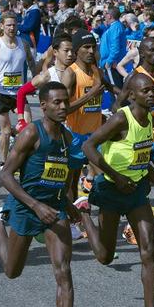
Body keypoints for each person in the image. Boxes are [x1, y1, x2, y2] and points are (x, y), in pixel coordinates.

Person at [0, 82, 82, 307]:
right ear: (44, 105)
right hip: (27, 207)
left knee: (64, 272)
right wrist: (35, 205)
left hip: (53, 210)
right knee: (12, 271)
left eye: (66, 101)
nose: (64, 107)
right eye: (58, 103)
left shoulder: (66, 136)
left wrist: (66, 204)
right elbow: (6, 175)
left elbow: (59, 174)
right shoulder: (31, 133)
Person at [80, 73, 154, 307]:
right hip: (111, 189)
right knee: (105, 257)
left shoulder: (152, 120)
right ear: (131, 95)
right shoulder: (121, 118)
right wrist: (116, 176)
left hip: (135, 192)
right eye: (145, 91)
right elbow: (89, 146)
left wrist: (153, 174)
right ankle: (84, 214)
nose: (151, 94)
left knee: (149, 250)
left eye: (153, 91)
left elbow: (139, 153)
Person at [113, 38, 154, 242]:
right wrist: (126, 127)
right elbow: (117, 105)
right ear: (141, 52)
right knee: (142, 185)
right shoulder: (135, 76)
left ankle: (137, 213)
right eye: (151, 50)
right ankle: (133, 223)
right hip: (139, 140)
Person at [0, 11, 35, 165]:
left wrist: (36, 81)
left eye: (14, 24)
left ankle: (19, 150)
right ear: (2, 26)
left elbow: (31, 62)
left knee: (28, 125)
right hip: (0, 93)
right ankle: (4, 163)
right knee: (4, 130)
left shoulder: (23, 43)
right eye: (8, 25)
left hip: (19, 93)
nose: (12, 27)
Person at [62, 30, 110, 197]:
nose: (91, 51)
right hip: (74, 134)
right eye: (86, 47)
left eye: (93, 47)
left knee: (104, 175)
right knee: (71, 181)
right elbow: (64, 109)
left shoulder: (97, 71)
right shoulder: (70, 73)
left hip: (95, 136)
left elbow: (112, 89)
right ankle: (73, 216)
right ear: (76, 50)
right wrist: (90, 95)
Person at [15, 35, 75, 131]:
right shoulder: (47, 76)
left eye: (72, 51)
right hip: (57, 127)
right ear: (55, 52)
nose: (70, 54)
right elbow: (21, 92)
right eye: (66, 51)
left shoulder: (77, 69)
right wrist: (21, 119)